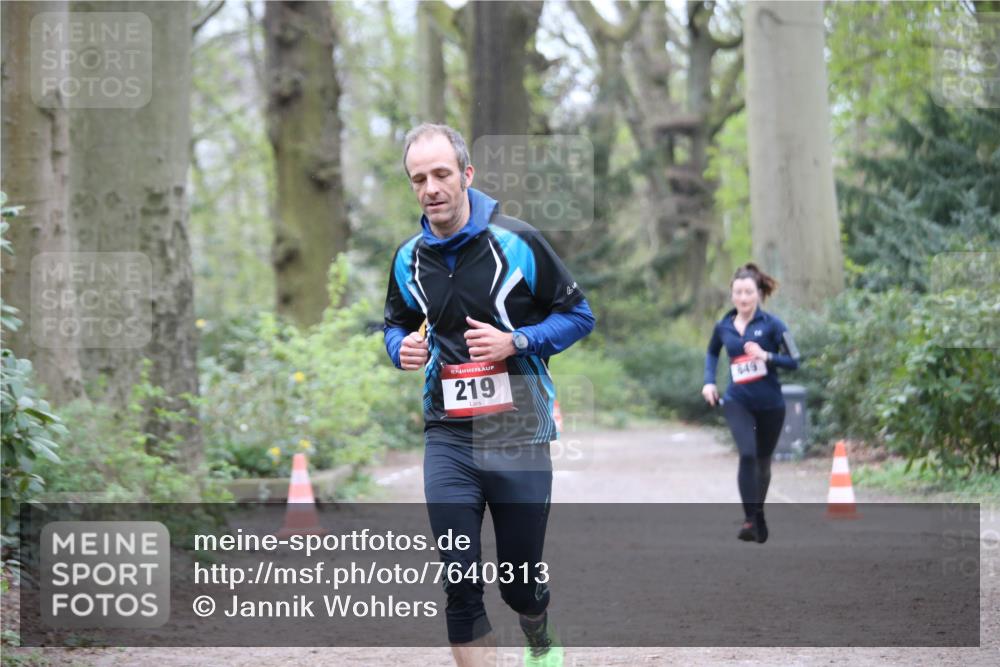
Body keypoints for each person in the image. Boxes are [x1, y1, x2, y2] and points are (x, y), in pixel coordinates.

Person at [383, 123, 594, 667]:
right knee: (459, 582)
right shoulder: (408, 260)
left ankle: (538, 629)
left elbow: (578, 315)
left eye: (441, 175)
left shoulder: (518, 242)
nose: (430, 188)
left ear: (466, 175)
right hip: (448, 434)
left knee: (518, 584)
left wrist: (516, 340)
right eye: (418, 179)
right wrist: (398, 348)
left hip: (518, 430)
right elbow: (395, 323)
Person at [701, 263, 800, 543]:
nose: (743, 298)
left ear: (758, 294)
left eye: (748, 292)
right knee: (747, 454)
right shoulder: (723, 326)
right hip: (737, 400)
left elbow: (795, 361)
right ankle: (749, 520)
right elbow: (711, 353)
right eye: (738, 292)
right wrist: (709, 381)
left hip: (770, 404)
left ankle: (758, 515)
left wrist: (766, 356)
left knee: (763, 463)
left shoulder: (774, 325)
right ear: (732, 295)